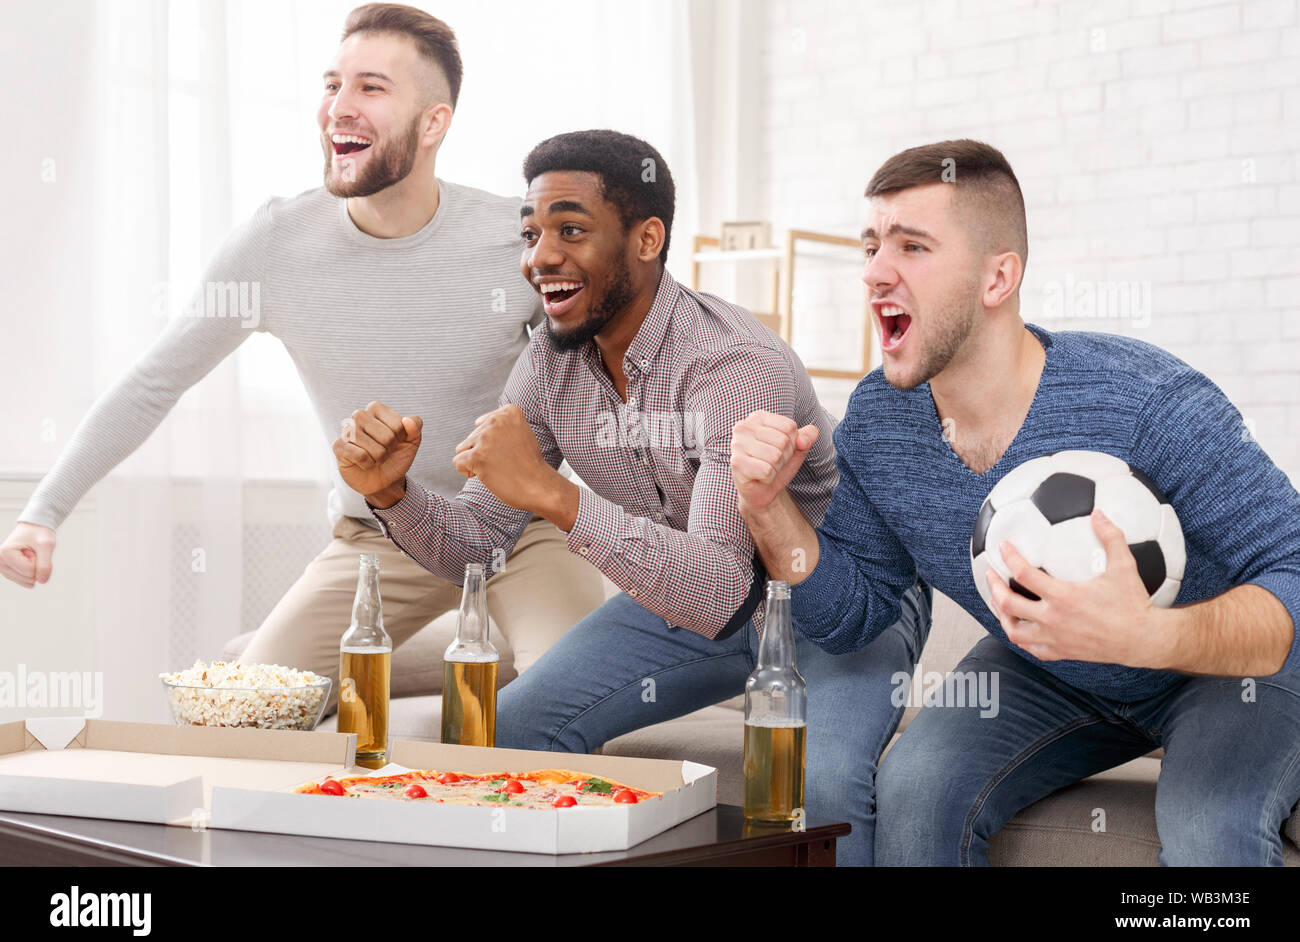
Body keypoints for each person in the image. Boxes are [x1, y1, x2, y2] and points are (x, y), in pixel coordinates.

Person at [333, 128, 932, 867]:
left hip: (834, 597)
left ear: (647, 238)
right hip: (690, 595)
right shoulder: (548, 366)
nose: (541, 256)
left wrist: (555, 496)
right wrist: (392, 493)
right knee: (509, 728)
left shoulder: (733, 365)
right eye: (532, 233)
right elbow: (477, 545)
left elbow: (720, 585)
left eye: (571, 230)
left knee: (825, 786)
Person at [0, 3, 604, 700]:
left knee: (571, 702)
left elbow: (607, 377)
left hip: (516, 530)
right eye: (331, 85)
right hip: (380, 538)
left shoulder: (519, 239)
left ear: (434, 122)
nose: (338, 108)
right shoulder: (275, 246)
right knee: (241, 709)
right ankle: (474, 647)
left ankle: (502, 645)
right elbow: (153, 382)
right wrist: (42, 513)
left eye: (371, 88)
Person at [730, 137, 1300, 866]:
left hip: (1231, 670)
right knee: (916, 788)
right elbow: (854, 615)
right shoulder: (879, 420)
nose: (874, 271)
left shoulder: (1147, 401)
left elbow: (1291, 569)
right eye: (871, 245)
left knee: (1207, 829)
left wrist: (1149, 638)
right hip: (1053, 668)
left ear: (997, 278)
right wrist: (768, 509)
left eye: (911, 246)